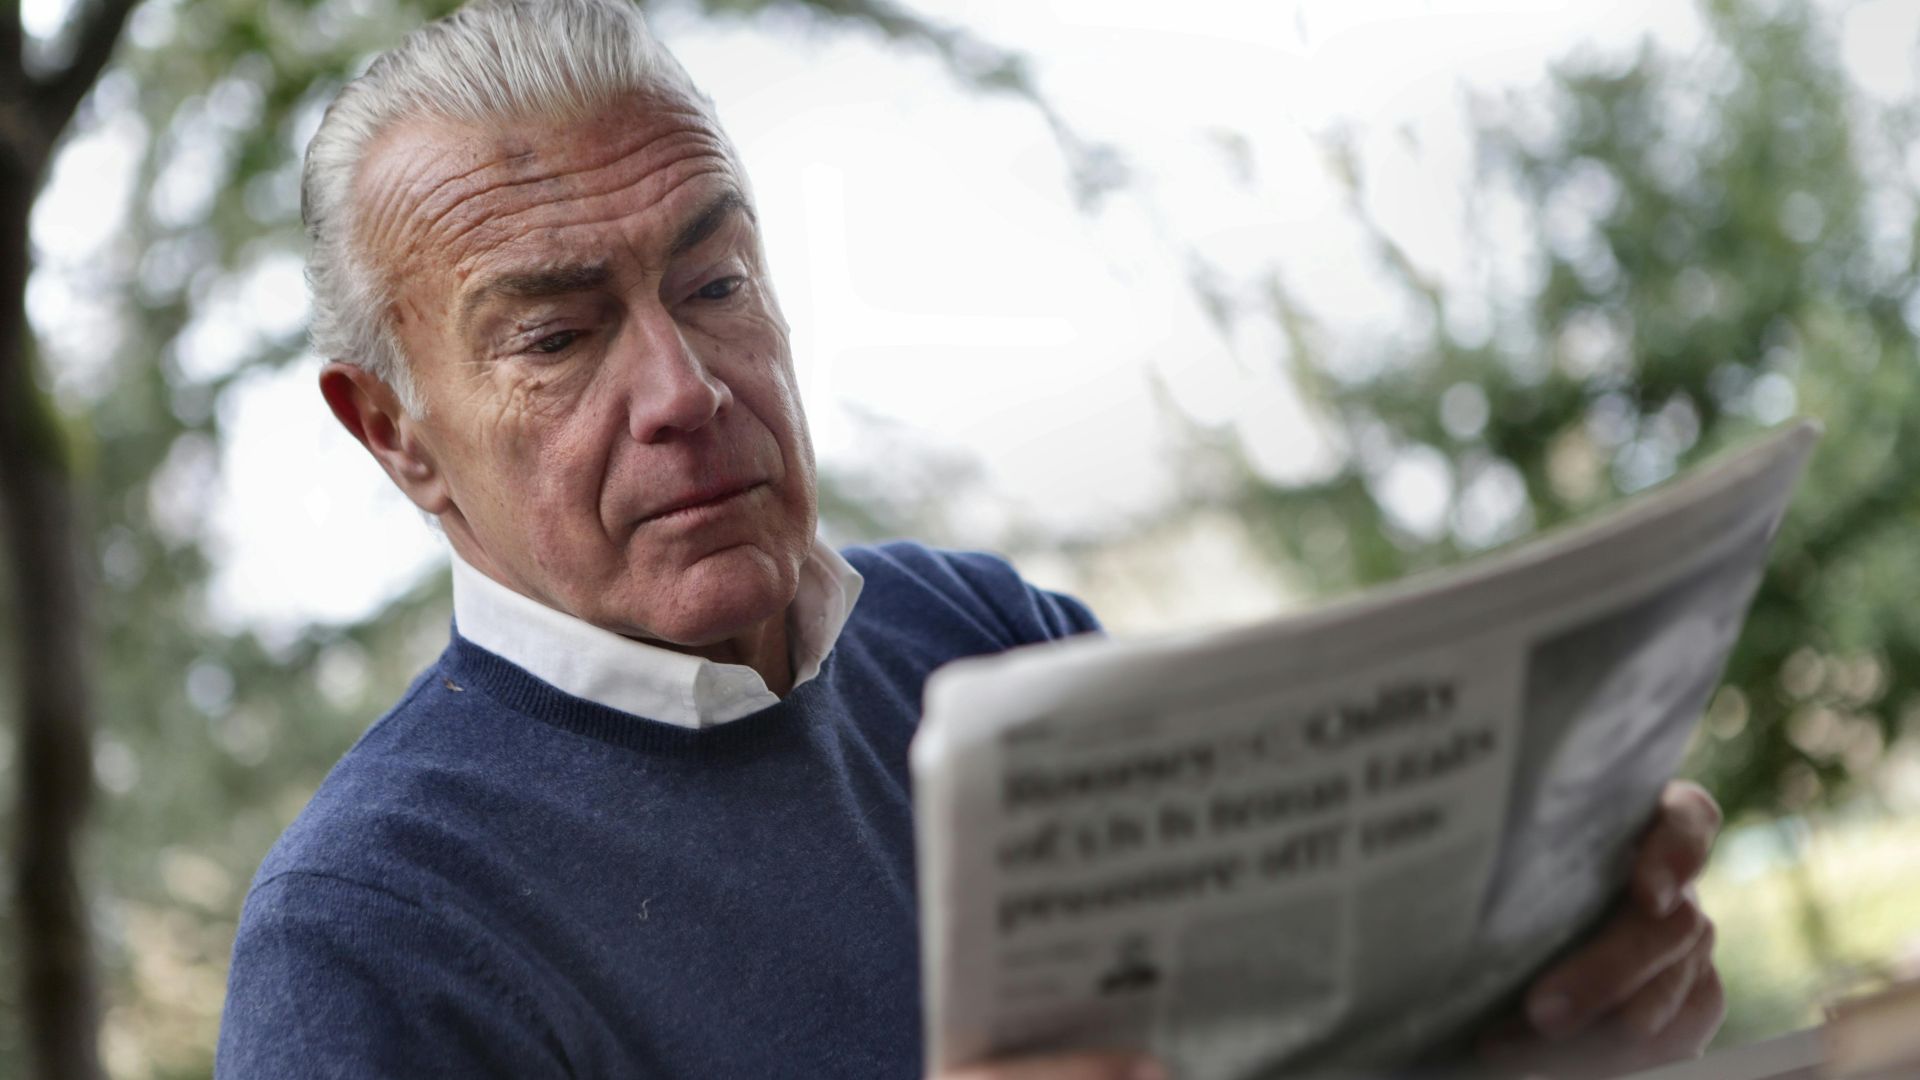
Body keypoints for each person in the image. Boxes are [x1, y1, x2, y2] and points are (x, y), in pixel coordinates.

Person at [214, 1, 1726, 1076]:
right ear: (396, 435)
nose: (681, 389)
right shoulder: (370, 938)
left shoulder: (991, 643)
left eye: (715, 283)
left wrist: (1553, 1028)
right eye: (555, 335)